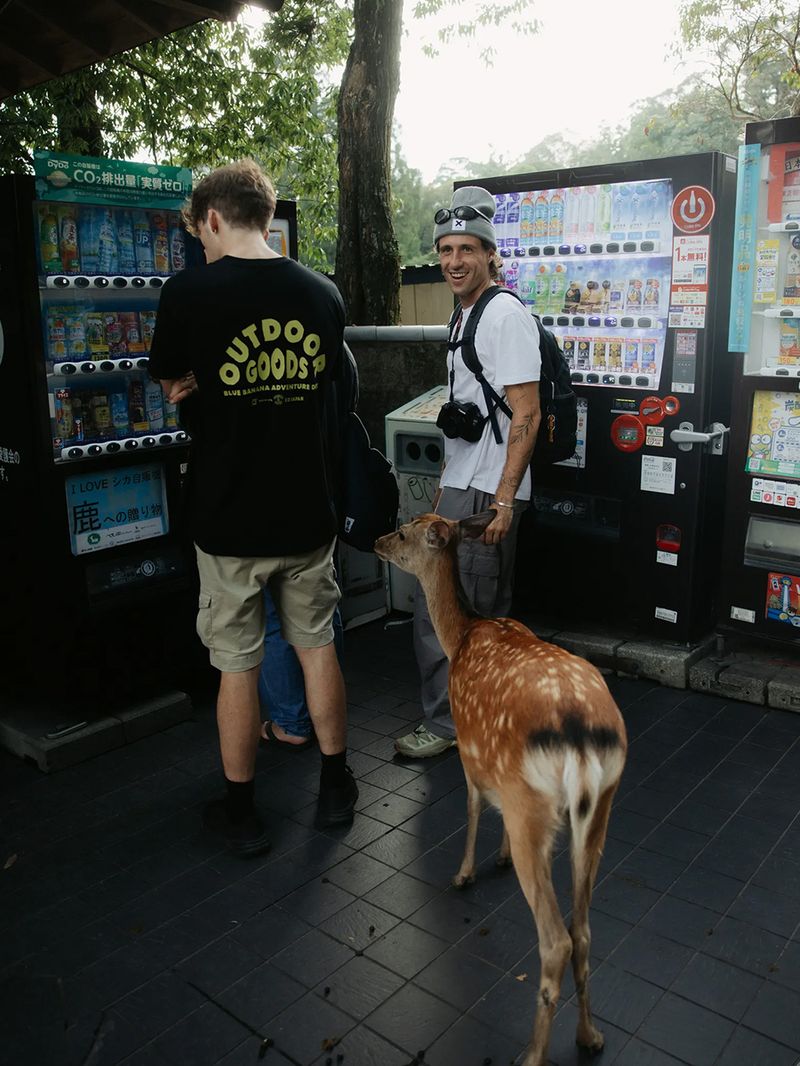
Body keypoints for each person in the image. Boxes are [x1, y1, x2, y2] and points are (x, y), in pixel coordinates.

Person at [147, 159, 357, 855]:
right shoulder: (322, 294)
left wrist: (205, 382)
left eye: (200, 234)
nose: (201, 246)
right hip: (307, 510)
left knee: (236, 665)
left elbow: (172, 380)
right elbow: (324, 384)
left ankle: (242, 812)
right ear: (265, 214)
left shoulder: (188, 292)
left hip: (229, 516)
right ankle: (336, 785)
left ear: (212, 217)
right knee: (317, 646)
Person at [394, 186, 542, 758]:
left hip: (487, 493)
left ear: (489, 254)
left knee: (454, 617)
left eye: (466, 250)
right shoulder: (465, 314)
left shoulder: (502, 314)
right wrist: (446, 484)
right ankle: (481, 720)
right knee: (462, 613)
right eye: (446, 250)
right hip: (465, 483)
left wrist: (503, 500)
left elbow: (527, 411)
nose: (454, 261)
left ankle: (451, 726)